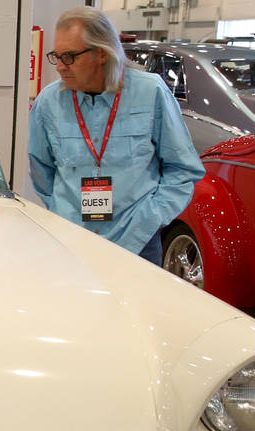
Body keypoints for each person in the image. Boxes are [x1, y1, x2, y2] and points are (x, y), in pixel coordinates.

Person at [27, 7, 204, 265]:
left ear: (102, 53)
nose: (61, 67)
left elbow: (183, 170)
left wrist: (150, 217)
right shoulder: (48, 103)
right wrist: (62, 211)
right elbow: (41, 170)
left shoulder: (150, 92)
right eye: (57, 56)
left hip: (137, 244)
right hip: (70, 241)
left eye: (70, 57)